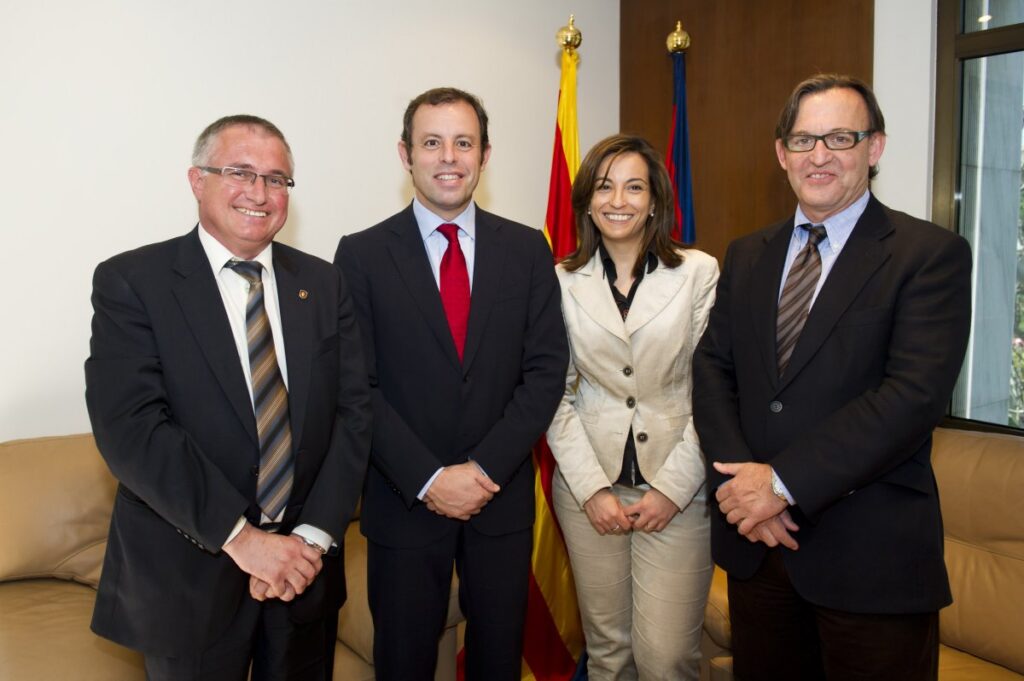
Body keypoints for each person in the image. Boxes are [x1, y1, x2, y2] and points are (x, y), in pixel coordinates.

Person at [692, 74, 973, 680]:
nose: (818, 155)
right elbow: (713, 369)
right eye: (803, 140)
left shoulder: (929, 254)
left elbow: (912, 397)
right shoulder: (747, 254)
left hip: (870, 559)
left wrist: (781, 484)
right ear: (781, 153)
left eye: (840, 137)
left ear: (875, 148)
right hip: (759, 549)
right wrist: (745, 489)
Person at [85, 114, 372, 681]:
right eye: (240, 173)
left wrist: (310, 540)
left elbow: (353, 414)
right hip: (188, 580)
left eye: (276, 179)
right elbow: (133, 429)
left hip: (303, 574)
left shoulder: (323, 283)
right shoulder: (133, 281)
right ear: (197, 181)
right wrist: (243, 540)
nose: (259, 193)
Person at [333, 87, 568, 680]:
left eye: (463, 143)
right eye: (432, 142)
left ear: (485, 155)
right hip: (404, 501)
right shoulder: (360, 255)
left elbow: (545, 372)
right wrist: (430, 478)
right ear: (405, 154)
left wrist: (483, 470)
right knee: (404, 664)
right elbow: (356, 386)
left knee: (498, 664)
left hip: (500, 502)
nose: (448, 157)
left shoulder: (527, 250)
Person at [546, 134, 719, 680]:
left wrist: (672, 489)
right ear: (586, 201)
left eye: (634, 187)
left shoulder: (698, 272)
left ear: (655, 200)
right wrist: (591, 490)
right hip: (589, 491)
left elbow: (713, 393)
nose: (618, 200)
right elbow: (554, 394)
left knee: (666, 659)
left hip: (678, 490)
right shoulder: (560, 280)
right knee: (608, 654)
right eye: (604, 187)